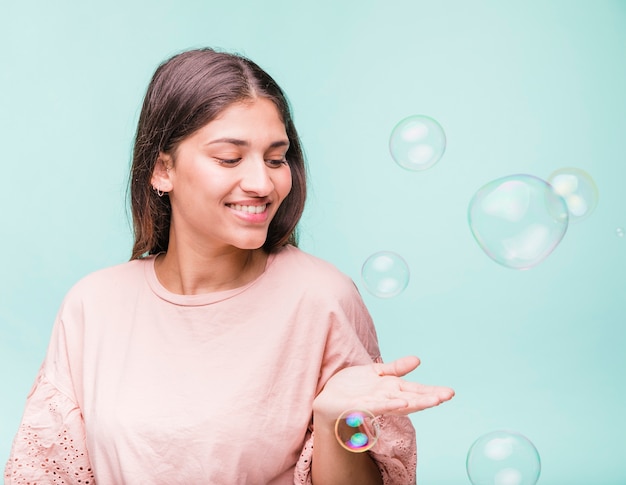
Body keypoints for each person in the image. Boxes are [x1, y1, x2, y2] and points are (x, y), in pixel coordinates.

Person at [4, 47, 454, 484]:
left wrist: (335, 419)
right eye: (229, 158)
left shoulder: (322, 298)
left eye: (276, 158)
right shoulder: (92, 305)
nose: (262, 182)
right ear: (163, 170)